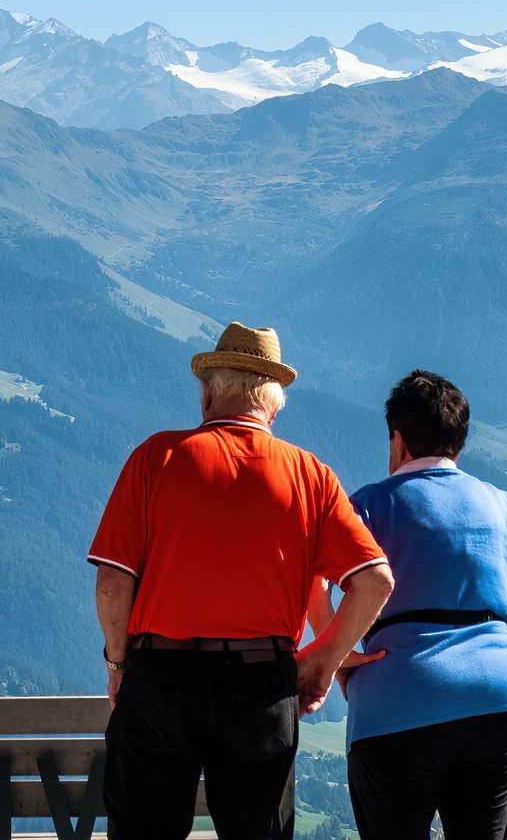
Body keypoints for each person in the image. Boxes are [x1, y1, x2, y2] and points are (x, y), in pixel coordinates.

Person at [89, 322, 395, 840]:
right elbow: (375, 581)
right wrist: (324, 660)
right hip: (261, 687)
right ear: (273, 407)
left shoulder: (157, 457)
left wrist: (119, 664)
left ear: (208, 394)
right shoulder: (310, 475)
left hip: (161, 679)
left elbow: (112, 585)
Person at [336, 369, 507, 840]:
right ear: (459, 445)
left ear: (398, 441)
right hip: (500, 700)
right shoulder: (502, 506)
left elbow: (313, 576)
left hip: (397, 697)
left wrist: (338, 657)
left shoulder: (370, 506)